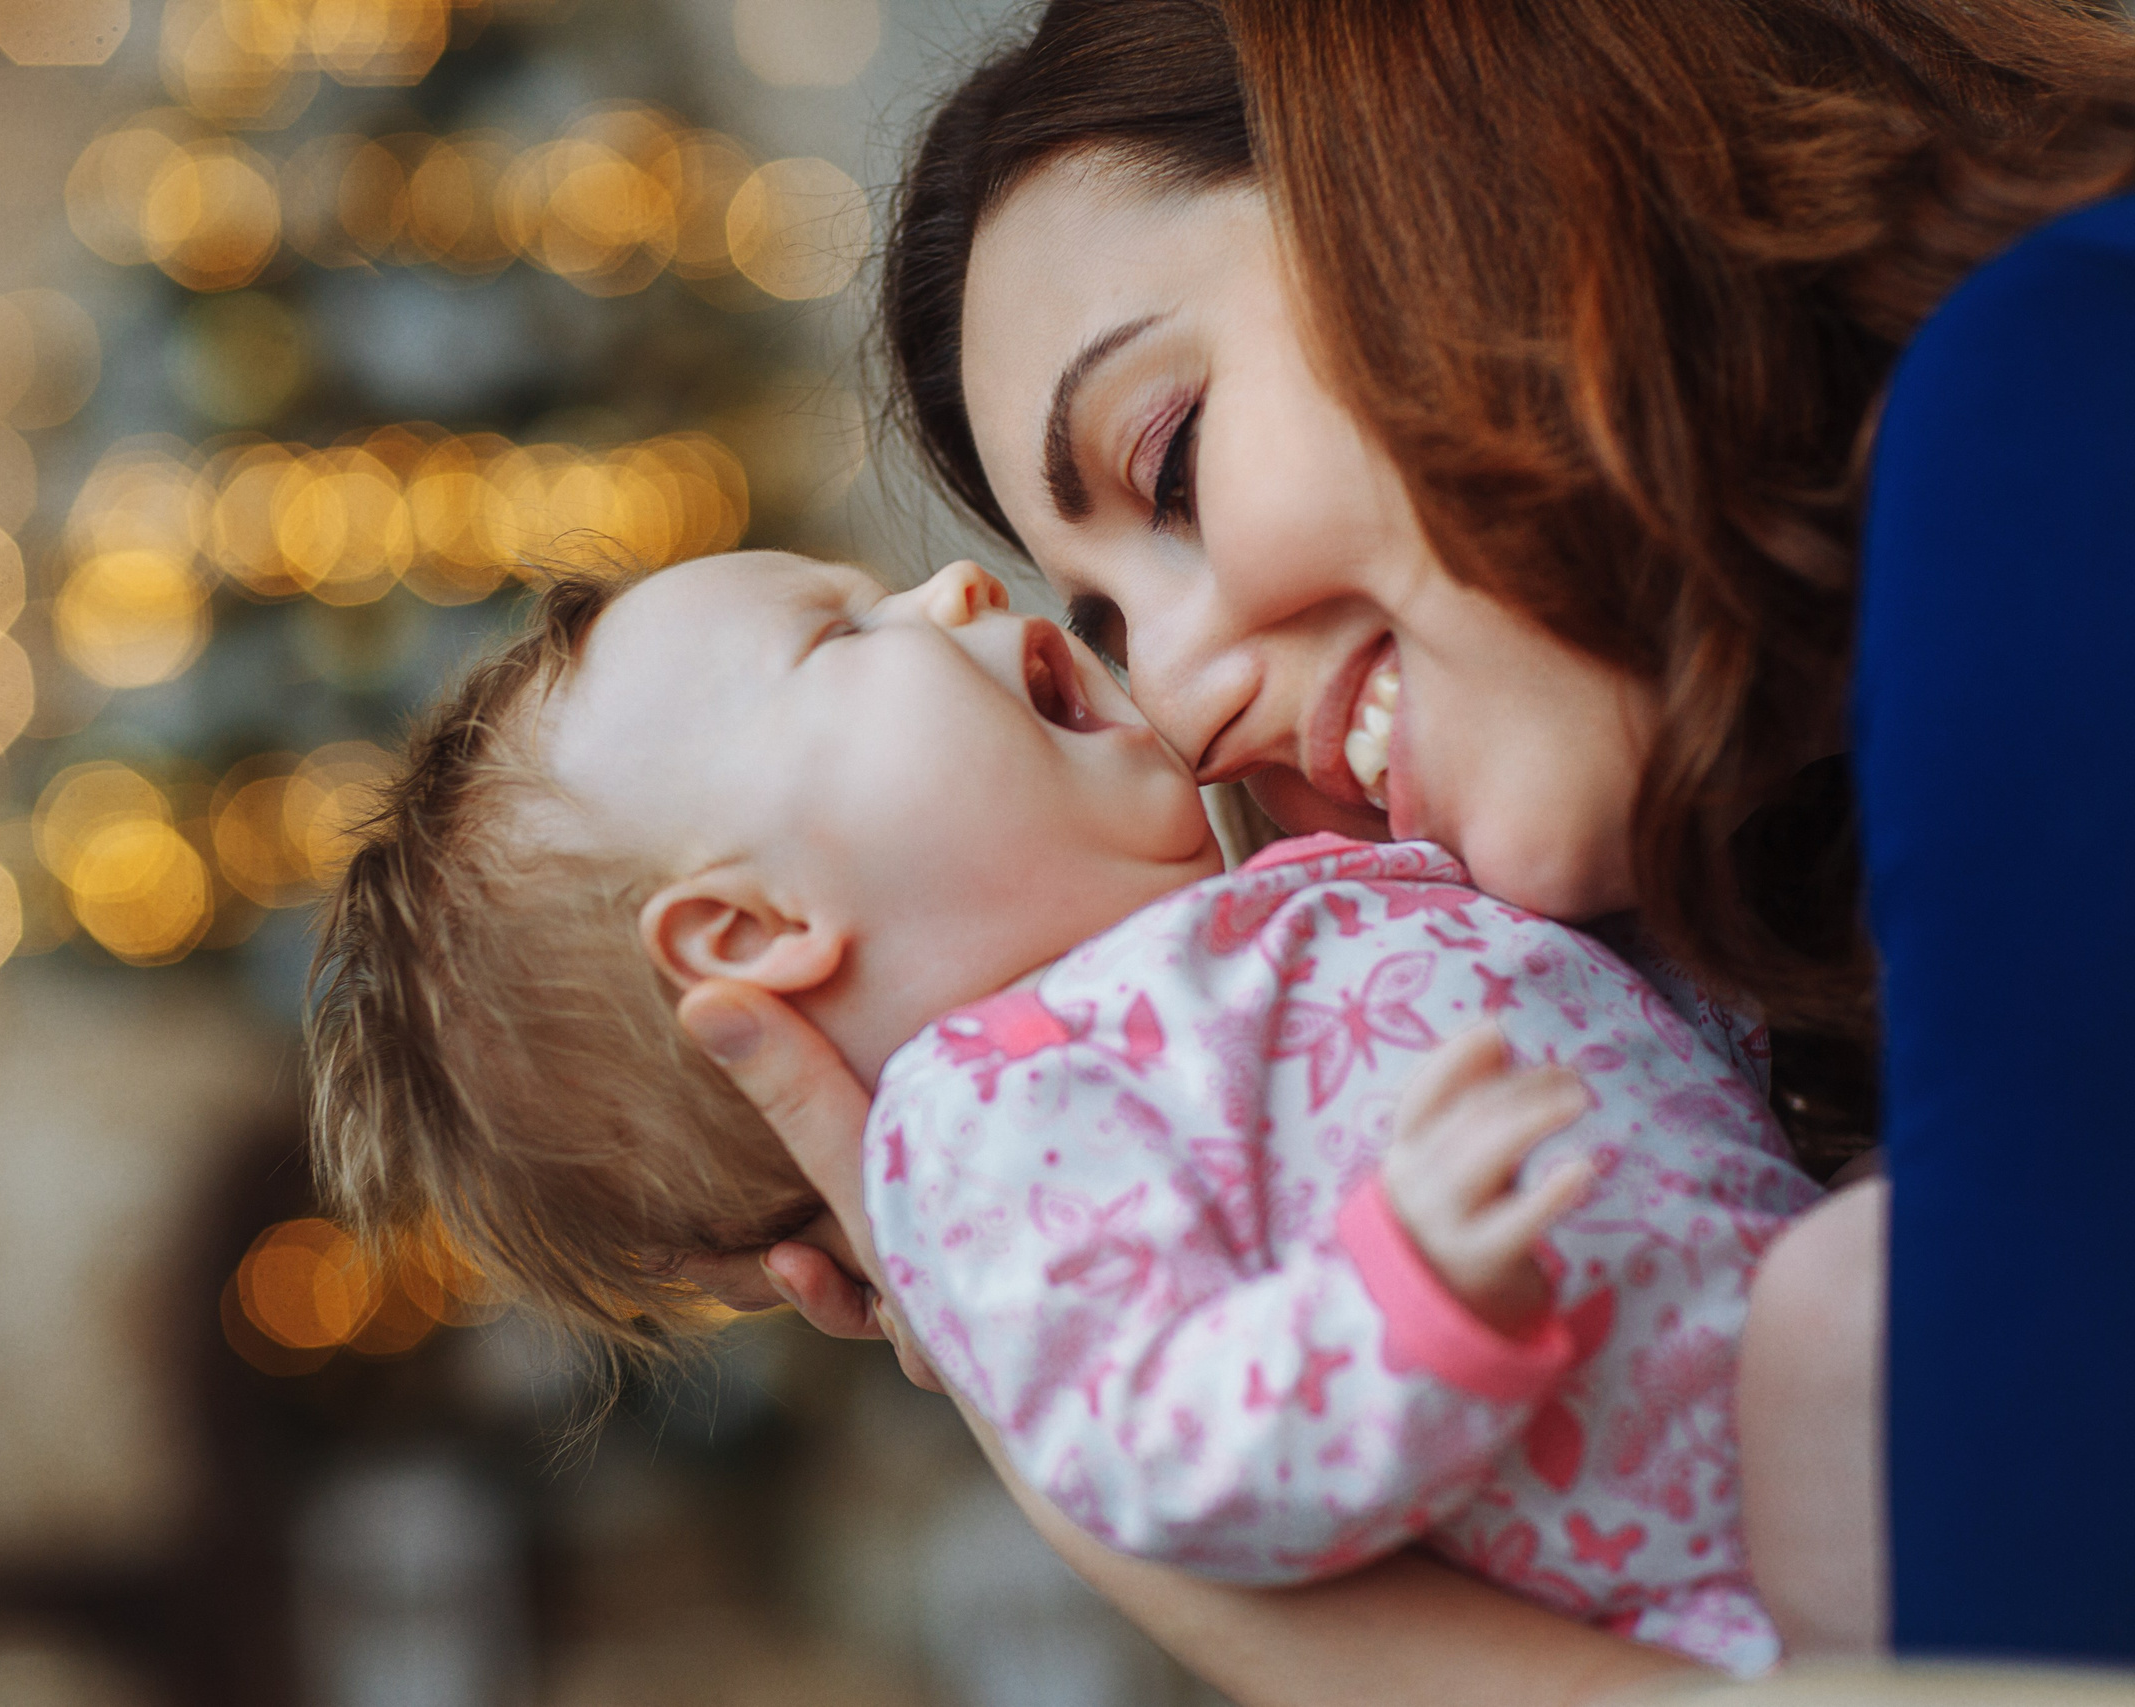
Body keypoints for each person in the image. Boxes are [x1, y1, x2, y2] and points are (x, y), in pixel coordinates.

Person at [670, 0, 2135, 1696]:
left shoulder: (2052, 416)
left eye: (1175, 463)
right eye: (1110, 622)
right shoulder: (1837, 925)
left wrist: (1103, 1478)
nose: (1183, 706)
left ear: (1480, 161)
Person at [307, 548, 1819, 1671]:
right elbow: (1155, 1443)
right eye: (842, 635)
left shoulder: (1259, 912)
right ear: (756, 934)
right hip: (1721, 1564)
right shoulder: (990, 1113)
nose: (954, 583)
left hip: (1799, 1351)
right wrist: (1398, 1299)